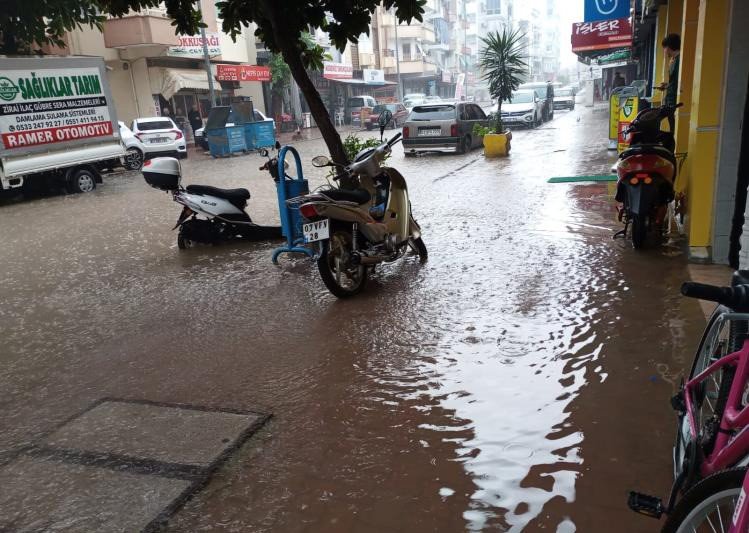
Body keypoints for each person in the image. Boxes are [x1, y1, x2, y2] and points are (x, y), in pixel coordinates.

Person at [657, 33, 681, 132]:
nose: (664, 51)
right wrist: (667, 85)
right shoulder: (673, 60)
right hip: (670, 101)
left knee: (673, 130)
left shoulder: (680, 60)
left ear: (669, 47)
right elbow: (675, 81)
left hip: (674, 102)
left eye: (665, 47)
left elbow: (680, 82)